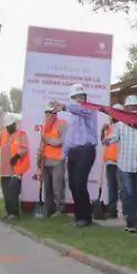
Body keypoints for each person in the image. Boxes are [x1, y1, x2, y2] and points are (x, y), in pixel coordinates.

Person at [105, 95, 137, 233]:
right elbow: (114, 138)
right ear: (125, 109)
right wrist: (107, 140)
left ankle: (130, 218)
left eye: (135, 108)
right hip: (124, 166)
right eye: (129, 108)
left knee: (135, 195)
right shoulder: (120, 124)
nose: (132, 110)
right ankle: (134, 222)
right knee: (129, 193)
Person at [53, 83, 99, 227]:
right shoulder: (72, 117)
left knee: (79, 182)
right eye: (75, 97)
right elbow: (69, 138)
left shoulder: (89, 108)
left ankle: (86, 218)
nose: (78, 99)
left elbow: (79, 109)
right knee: (73, 184)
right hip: (73, 152)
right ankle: (79, 217)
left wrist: (65, 107)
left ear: (84, 97)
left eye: (80, 96)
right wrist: (63, 155)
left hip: (86, 150)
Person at [0, 113, 29, 220]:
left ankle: (15, 214)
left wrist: (17, 155)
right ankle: (9, 212)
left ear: (15, 124)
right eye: (7, 126)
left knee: (12, 191)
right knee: (6, 192)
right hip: (5, 169)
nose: (8, 127)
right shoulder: (4, 134)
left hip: (16, 169)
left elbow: (24, 149)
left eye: (10, 125)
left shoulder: (21, 134)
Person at [39, 101, 67, 216]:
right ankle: (49, 209)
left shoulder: (62, 124)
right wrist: (39, 156)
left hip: (57, 160)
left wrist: (49, 141)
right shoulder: (45, 126)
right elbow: (42, 143)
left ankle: (60, 209)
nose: (47, 115)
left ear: (54, 113)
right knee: (48, 188)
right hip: (46, 160)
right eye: (45, 113)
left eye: (48, 113)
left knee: (58, 186)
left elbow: (64, 141)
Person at [101, 121, 121, 219]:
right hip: (109, 161)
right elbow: (104, 142)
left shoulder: (121, 127)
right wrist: (103, 132)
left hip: (119, 162)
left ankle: (127, 211)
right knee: (111, 188)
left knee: (121, 188)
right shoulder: (108, 128)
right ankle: (112, 210)